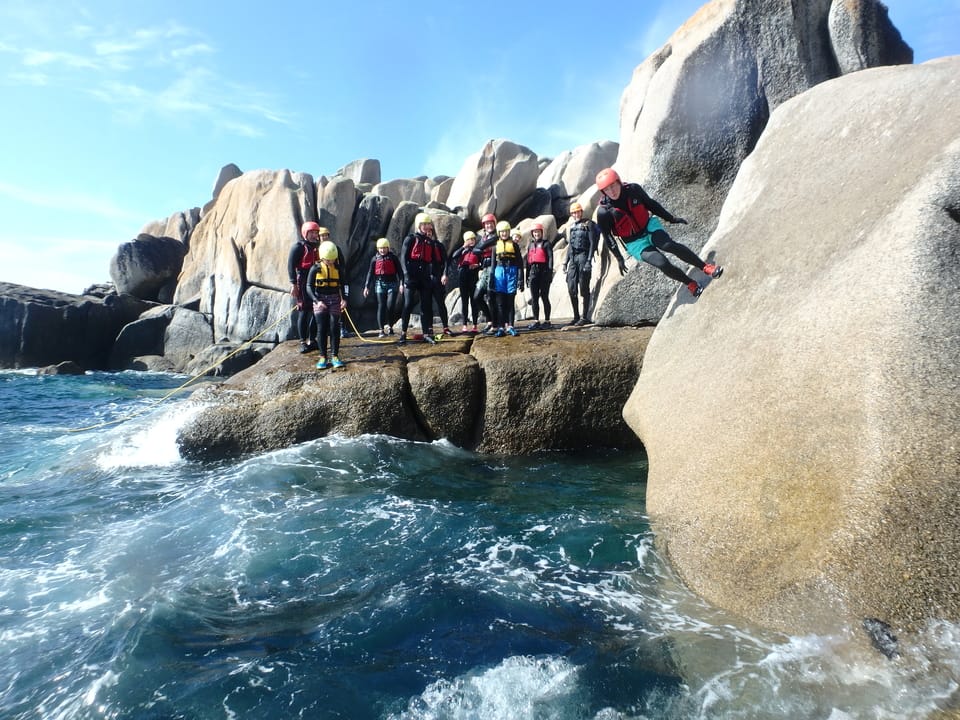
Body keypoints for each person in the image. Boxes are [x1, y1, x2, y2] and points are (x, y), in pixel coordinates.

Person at [595, 167, 722, 297]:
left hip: (649, 226)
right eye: (607, 189)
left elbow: (651, 205)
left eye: (613, 185)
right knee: (662, 263)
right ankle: (689, 283)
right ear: (603, 191)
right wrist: (619, 258)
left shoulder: (633, 190)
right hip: (635, 243)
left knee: (668, 245)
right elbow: (607, 236)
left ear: (619, 181)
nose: (611, 191)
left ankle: (705, 267)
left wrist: (671, 218)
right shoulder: (604, 212)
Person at [398, 212, 441, 345]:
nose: (427, 226)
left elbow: (436, 260)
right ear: (419, 225)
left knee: (426, 305)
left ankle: (426, 333)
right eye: (424, 224)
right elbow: (403, 258)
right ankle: (403, 333)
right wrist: (405, 275)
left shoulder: (430, 242)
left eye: (428, 224)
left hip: (425, 275)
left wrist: (436, 275)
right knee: (408, 304)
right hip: (412, 274)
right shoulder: (410, 239)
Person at [306, 240, 348, 369]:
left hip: (335, 298)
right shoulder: (315, 269)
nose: (331, 262)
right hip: (320, 299)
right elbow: (308, 286)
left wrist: (344, 299)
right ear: (322, 258)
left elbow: (345, 285)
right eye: (328, 260)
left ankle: (335, 355)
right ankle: (323, 356)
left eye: (333, 260)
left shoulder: (339, 269)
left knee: (334, 326)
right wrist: (316, 301)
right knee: (321, 327)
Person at [560, 201, 599, 325]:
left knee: (583, 287)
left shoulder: (589, 224)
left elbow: (592, 243)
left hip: (583, 256)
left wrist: (589, 261)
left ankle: (585, 316)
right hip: (573, 258)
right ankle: (576, 316)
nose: (575, 214)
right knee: (571, 288)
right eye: (573, 213)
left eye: (577, 212)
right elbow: (570, 246)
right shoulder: (572, 227)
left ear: (581, 212)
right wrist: (565, 262)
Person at [288, 221, 321, 352]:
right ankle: (302, 341)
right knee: (304, 310)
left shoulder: (318, 247)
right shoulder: (298, 246)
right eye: (312, 233)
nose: (314, 235)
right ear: (305, 233)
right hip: (302, 279)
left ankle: (312, 340)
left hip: (316, 280)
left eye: (316, 233)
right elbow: (290, 266)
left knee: (316, 311)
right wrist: (293, 284)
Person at [363, 238, 404, 337]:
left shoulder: (393, 258)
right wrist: (366, 287)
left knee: (390, 306)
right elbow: (370, 273)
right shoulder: (374, 259)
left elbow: (400, 272)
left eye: (384, 248)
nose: (382, 250)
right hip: (380, 284)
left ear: (388, 248)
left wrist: (401, 284)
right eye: (381, 248)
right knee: (381, 306)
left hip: (392, 284)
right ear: (378, 249)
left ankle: (390, 326)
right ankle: (381, 329)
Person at [489, 222, 524, 337]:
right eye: (502, 232)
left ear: (509, 232)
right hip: (499, 273)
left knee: (510, 301)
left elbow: (520, 263)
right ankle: (501, 327)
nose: (504, 233)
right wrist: (491, 278)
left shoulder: (514, 245)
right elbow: (493, 264)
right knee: (500, 303)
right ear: (499, 233)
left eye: (506, 231)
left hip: (511, 272)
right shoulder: (495, 246)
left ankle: (510, 326)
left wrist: (521, 279)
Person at [450, 230, 488, 333]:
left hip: (473, 276)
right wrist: (463, 246)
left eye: (472, 239)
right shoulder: (462, 251)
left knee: (474, 301)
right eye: (468, 239)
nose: (471, 241)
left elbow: (484, 262)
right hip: (463, 277)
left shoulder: (478, 250)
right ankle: (464, 325)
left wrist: (478, 266)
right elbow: (454, 256)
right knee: (465, 301)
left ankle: (475, 325)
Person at [524, 222, 553, 329]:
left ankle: (547, 320)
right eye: (535, 232)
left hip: (544, 272)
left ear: (541, 232)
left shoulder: (546, 244)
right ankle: (536, 320)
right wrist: (527, 276)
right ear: (532, 233)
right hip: (533, 273)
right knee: (534, 298)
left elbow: (550, 258)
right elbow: (527, 262)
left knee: (545, 297)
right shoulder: (530, 245)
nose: (536, 234)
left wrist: (549, 273)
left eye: (538, 232)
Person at [474, 212, 499, 332]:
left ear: (494, 224)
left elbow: (480, 247)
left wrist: (479, 248)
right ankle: (490, 320)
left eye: (491, 223)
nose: (489, 226)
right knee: (477, 297)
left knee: (491, 298)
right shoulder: (484, 237)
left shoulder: (496, 237)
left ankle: (495, 325)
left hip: (494, 268)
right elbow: (475, 250)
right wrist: (479, 249)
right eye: (487, 224)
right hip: (484, 269)